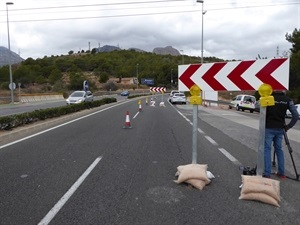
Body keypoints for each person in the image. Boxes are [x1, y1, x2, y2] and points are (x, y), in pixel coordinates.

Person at [263, 90, 299, 179]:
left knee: (267, 149)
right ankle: (281, 172)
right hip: (280, 128)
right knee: (279, 149)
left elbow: (262, 113)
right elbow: (296, 115)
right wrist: (288, 127)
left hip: (269, 127)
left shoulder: (269, 98)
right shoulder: (287, 100)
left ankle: (267, 173)